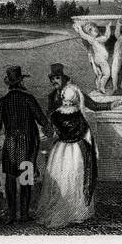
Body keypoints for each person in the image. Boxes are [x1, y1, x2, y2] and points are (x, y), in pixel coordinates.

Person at [0, 65, 48, 224]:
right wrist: (50, 131)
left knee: (10, 181)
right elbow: (42, 120)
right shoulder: (29, 99)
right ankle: (24, 215)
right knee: (25, 181)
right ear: (21, 82)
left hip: (11, 146)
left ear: (9, 83)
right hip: (28, 146)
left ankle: (11, 215)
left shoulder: (3, 102)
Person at [34, 79, 99, 228]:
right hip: (76, 151)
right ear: (75, 98)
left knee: (60, 179)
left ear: (63, 97)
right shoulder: (79, 115)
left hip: (60, 150)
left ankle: (63, 210)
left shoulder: (55, 114)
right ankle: (77, 212)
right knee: (75, 179)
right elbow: (86, 135)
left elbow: (49, 132)